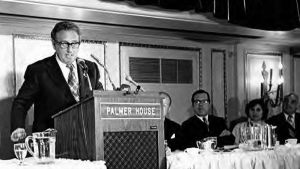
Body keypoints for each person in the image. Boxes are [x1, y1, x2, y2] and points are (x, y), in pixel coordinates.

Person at [10, 21, 103, 142]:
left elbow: (99, 100)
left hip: (86, 141)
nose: (70, 50)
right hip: (50, 143)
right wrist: (18, 127)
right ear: (54, 44)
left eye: (74, 44)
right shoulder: (39, 70)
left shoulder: (90, 68)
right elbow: (21, 103)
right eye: (64, 44)